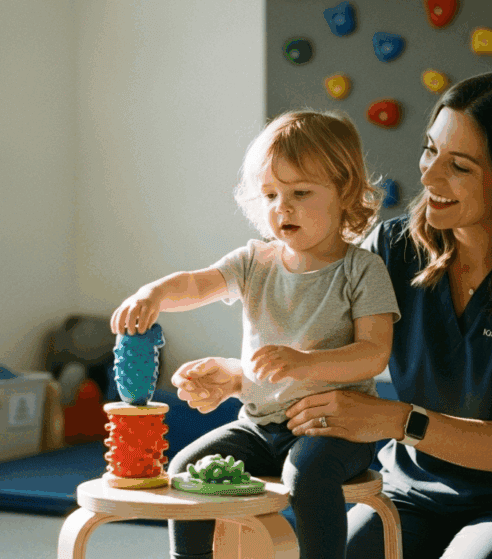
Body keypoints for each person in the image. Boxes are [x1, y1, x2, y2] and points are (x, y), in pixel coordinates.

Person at [173, 71, 492, 558]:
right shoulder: (392, 250)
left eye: (459, 166)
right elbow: (322, 356)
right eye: (429, 149)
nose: (428, 176)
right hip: (410, 494)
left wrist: (397, 420)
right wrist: (240, 377)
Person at [110, 110, 401, 559]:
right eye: (270, 194)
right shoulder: (254, 261)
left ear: (344, 193)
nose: (281, 207)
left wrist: (305, 362)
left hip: (334, 431)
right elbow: (197, 283)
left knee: (305, 475)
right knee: (188, 468)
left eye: (300, 192)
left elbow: (373, 354)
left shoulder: (362, 269)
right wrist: (155, 293)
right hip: (260, 426)